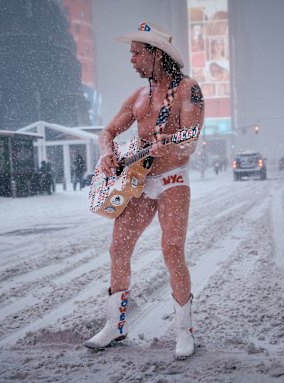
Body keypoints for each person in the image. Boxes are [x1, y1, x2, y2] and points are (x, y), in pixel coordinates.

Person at [84, 21, 205, 360]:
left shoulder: (188, 89)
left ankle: (185, 330)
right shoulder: (138, 96)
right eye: (131, 54)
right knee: (118, 248)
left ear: (157, 55)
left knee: (171, 250)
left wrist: (170, 148)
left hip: (172, 179)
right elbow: (107, 131)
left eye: (137, 53)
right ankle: (115, 325)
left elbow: (190, 141)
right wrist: (107, 153)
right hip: (138, 180)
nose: (132, 59)